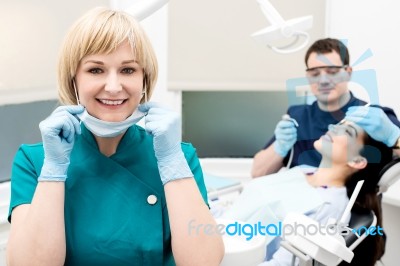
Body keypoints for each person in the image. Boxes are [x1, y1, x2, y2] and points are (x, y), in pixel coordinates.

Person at [6, 7, 224, 266]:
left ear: (145, 79)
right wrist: (53, 171)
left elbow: (204, 261)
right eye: (96, 70)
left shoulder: (179, 157)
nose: (113, 86)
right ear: (73, 79)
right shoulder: (35, 161)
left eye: (128, 70)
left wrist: (172, 162)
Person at [225, 122, 391, 266]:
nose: (333, 127)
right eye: (340, 124)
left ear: (357, 161)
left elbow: (282, 264)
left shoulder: (329, 207)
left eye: (348, 132)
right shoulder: (303, 171)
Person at [252, 38, 400, 177]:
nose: (323, 81)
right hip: (299, 202)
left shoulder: (373, 116)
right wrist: (280, 146)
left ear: (348, 73)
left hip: (354, 204)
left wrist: (394, 137)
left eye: (332, 72)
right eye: (315, 73)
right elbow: (257, 174)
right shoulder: (297, 117)